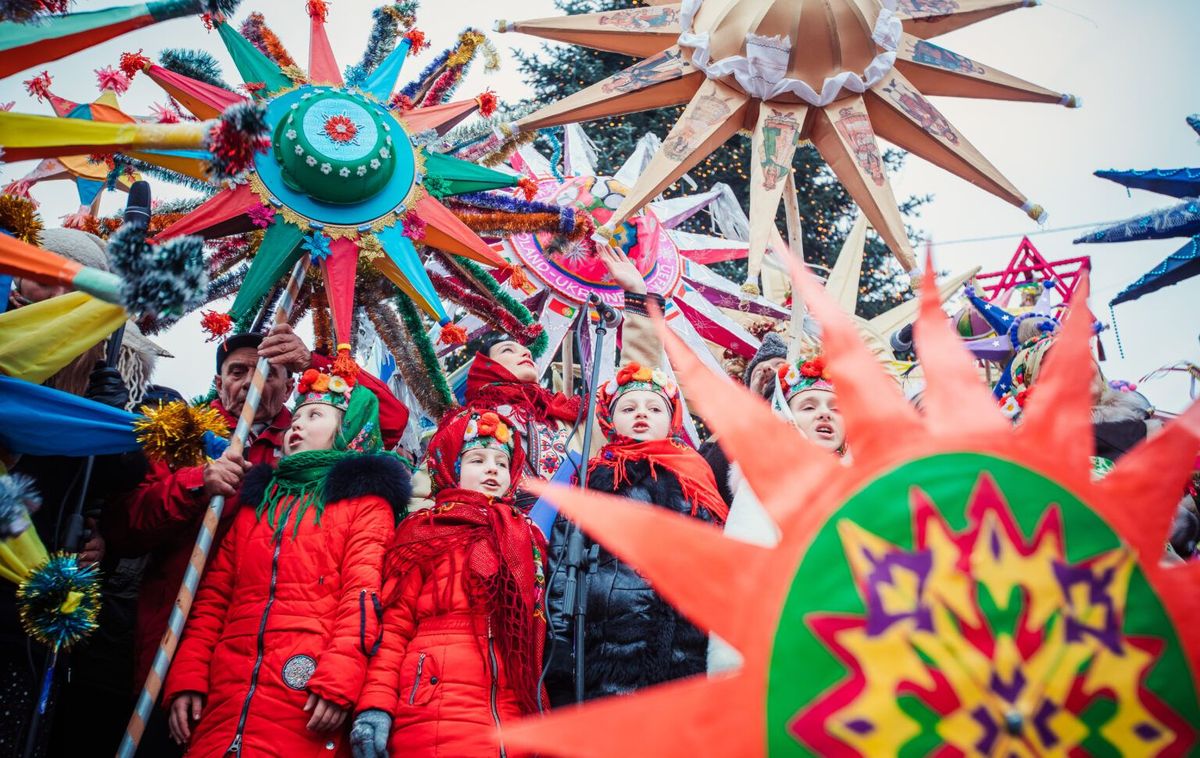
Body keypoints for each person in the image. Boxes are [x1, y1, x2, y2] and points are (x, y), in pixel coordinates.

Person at [105, 329, 407, 756]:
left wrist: (315, 363)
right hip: (173, 642)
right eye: (238, 371)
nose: (251, 381)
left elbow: (386, 416)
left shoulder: (299, 449)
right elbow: (124, 528)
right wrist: (196, 483)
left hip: (288, 675)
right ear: (218, 383)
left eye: (269, 372)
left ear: (288, 387)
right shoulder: (182, 433)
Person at [0, 227, 166, 758]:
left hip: (36, 574)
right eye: (37, 271)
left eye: (57, 278)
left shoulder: (110, 361)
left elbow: (122, 484)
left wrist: (114, 423)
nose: (38, 285)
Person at [351, 409, 548, 757]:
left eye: (502, 464)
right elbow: (393, 627)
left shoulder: (527, 537)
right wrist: (376, 706)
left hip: (510, 712)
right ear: (451, 469)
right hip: (431, 708)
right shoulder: (423, 531)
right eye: (477, 459)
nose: (492, 469)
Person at [543, 362, 728, 704]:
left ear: (671, 420)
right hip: (607, 645)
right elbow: (562, 566)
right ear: (611, 421)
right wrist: (560, 643)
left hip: (684, 646)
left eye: (654, 407)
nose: (641, 414)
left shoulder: (696, 481)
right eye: (628, 408)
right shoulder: (594, 480)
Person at [462, 247, 661, 483]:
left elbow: (635, 384)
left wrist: (637, 294)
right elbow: (426, 496)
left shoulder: (571, 419)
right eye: (508, 349)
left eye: (527, 351)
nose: (525, 353)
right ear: (486, 367)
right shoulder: (463, 424)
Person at [708, 353, 846, 674]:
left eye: (835, 407)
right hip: (787, 658)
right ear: (785, 418)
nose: (824, 413)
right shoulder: (766, 486)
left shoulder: (868, 489)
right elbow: (742, 583)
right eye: (809, 406)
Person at [701, 331, 789, 506]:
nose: (766, 370)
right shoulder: (724, 436)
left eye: (778, 364)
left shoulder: (807, 417)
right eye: (757, 372)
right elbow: (714, 476)